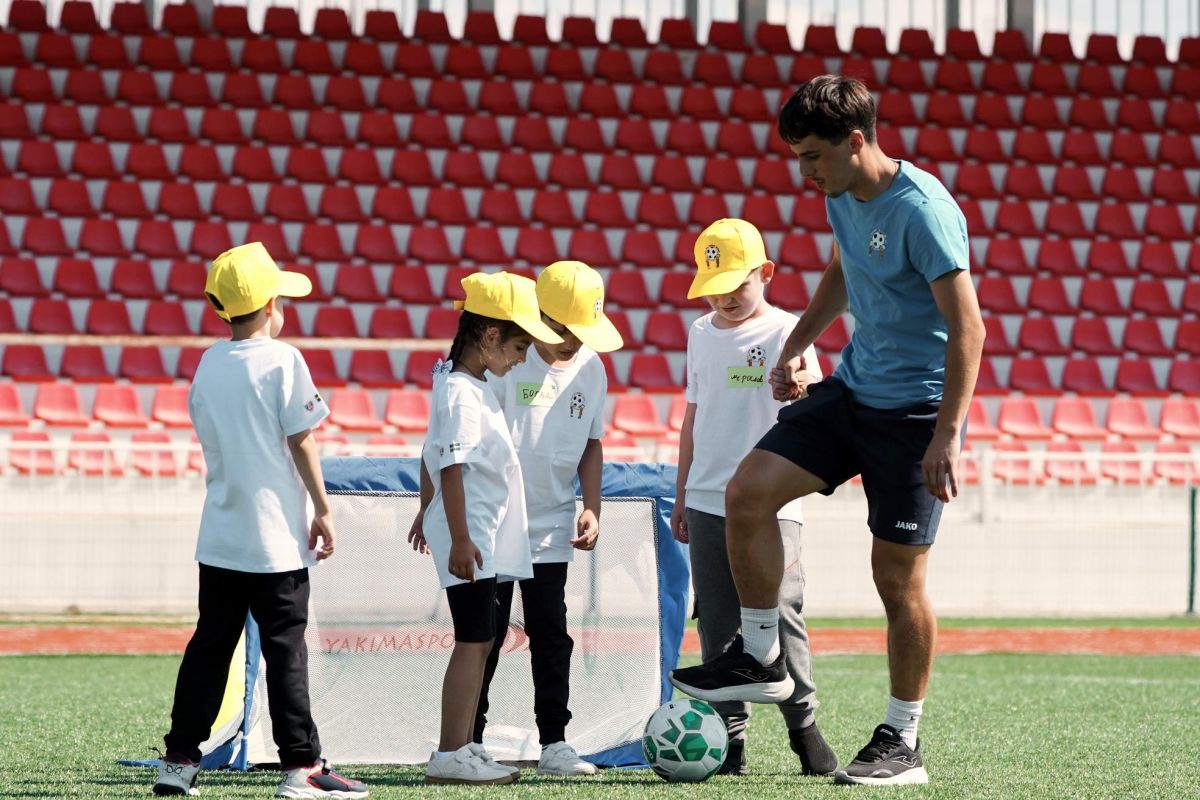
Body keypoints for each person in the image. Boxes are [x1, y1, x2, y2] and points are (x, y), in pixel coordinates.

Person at [670, 75, 986, 786]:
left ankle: (902, 740)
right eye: (798, 157)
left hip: (913, 416)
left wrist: (947, 434)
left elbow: (969, 327)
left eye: (813, 156)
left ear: (855, 141)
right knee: (748, 491)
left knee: (896, 581)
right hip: (853, 391)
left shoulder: (924, 211)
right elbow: (842, 271)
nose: (804, 172)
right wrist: (793, 346)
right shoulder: (841, 192)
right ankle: (761, 656)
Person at [154, 242, 367, 798]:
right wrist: (324, 509)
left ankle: (179, 760)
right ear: (271, 304)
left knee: (209, 648)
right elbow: (302, 439)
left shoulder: (208, 362)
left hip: (221, 535)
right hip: (276, 540)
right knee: (285, 651)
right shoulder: (283, 359)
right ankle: (301, 767)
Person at [668, 218, 837, 777]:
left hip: (773, 501)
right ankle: (730, 741)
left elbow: (813, 411)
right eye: (714, 286)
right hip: (705, 499)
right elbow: (693, 415)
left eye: (736, 284)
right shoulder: (699, 333)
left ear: (765, 273)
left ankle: (804, 729)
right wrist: (682, 494)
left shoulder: (791, 331)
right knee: (717, 622)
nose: (724, 297)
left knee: (781, 614)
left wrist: (799, 389)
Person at [407, 272, 564, 786]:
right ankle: (450, 753)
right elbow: (450, 465)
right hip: (470, 537)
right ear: (490, 335)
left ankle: (465, 746)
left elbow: (431, 453)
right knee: (473, 639)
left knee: (484, 637)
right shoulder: (460, 391)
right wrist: (457, 536)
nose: (522, 358)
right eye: (518, 346)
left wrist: (430, 510)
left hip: (477, 534)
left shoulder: (467, 385)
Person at [473, 261, 623, 776]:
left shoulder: (593, 369)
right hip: (495, 526)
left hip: (553, 527)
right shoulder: (505, 362)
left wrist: (591, 505)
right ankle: (468, 740)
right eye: (562, 329)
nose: (572, 342)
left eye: (582, 331)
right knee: (485, 636)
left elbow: (592, 443)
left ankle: (555, 743)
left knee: (552, 635)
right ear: (538, 317)